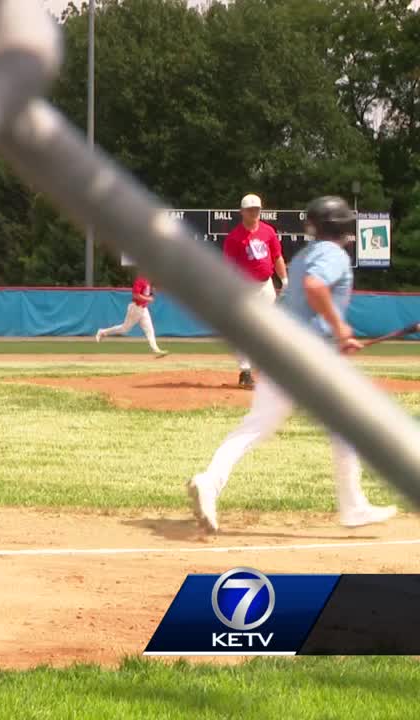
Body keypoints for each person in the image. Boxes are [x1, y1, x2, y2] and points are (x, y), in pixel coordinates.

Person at [186, 196, 396, 534]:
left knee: (254, 427)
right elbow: (315, 287)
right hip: (308, 356)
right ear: (340, 226)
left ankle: (209, 482)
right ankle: (353, 507)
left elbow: (303, 292)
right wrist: (340, 328)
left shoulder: (303, 257)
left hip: (281, 350)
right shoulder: (334, 255)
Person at [222, 193, 290, 388]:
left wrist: (284, 279)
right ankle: (245, 371)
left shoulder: (268, 231)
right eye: (250, 210)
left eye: (257, 209)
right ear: (242, 212)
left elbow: (277, 257)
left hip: (266, 284)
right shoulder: (234, 237)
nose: (254, 213)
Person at [95, 273, 169, 357]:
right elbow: (135, 295)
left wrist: (152, 293)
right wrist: (148, 298)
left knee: (150, 330)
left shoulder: (148, 281)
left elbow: (149, 292)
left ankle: (156, 350)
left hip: (143, 309)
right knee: (124, 329)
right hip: (135, 308)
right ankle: (102, 332)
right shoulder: (140, 280)